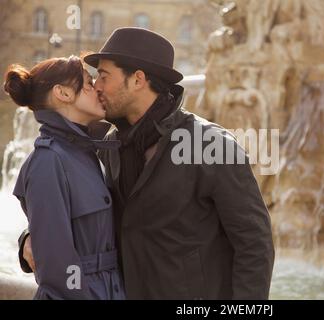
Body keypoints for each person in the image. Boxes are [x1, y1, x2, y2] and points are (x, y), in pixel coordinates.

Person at [20, 28, 275, 299]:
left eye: (104, 76)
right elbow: (80, 215)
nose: (96, 86)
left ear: (138, 80)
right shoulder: (107, 147)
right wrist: (29, 236)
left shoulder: (211, 145)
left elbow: (255, 245)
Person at [5, 56, 125, 300]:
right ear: (63, 93)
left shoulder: (85, 151)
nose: (98, 89)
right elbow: (58, 269)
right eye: (89, 84)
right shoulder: (48, 161)